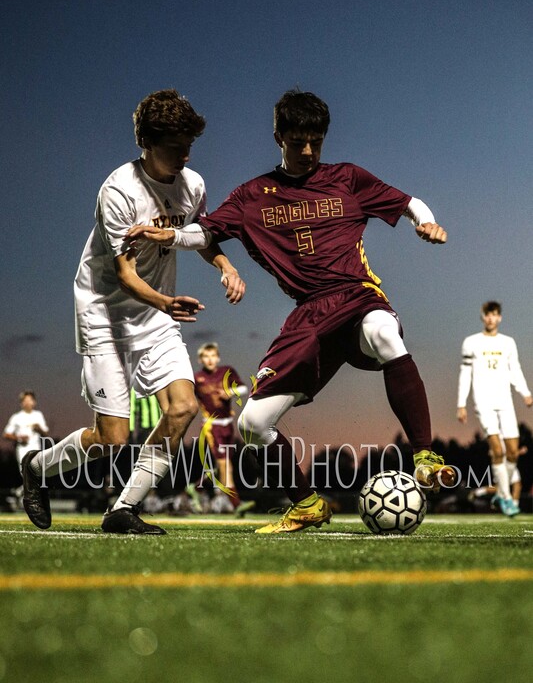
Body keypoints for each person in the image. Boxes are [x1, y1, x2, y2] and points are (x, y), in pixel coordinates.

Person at [126, 89, 455, 534]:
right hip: (310, 316)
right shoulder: (252, 196)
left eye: (315, 142)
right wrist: (171, 238)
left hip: (357, 297)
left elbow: (407, 202)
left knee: (383, 331)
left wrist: (425, 222)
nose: (307, 151)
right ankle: (306, 504)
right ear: (278, 136)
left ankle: (424, 454)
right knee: (253, 423)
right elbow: (206, 232)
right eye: (297, 141)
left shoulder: (347, 178)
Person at [21, 89, 245, 535]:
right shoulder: (119, 190)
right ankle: (37, 468)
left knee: (183, 408)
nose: (186, 154)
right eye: (176, 145)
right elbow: (125, 275)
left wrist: (224, 263)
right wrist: (167, 302)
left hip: (156, 313)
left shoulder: (193, 184)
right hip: (105, 311)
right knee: (112, 439)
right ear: (147, 142)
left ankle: (122, 510)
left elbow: (199, 234)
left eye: (189, 145)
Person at [457, 301, 532, 516]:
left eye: (495, 315)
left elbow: (514, 369)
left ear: (499, 317)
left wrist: (524, 391)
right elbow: (465, 374)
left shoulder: (508, 343)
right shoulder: (471, 342)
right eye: (487, 315)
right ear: (483, 316)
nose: (491, 318)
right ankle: (506, 497)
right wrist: (461, 403)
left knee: (513, 452)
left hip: (505, 400)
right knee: (497, 450)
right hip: (483, 401)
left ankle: (501, 492)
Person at [190, 342, 255, 516]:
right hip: (212, 426)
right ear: (200, 359)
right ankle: (236, 503)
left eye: (212, 356)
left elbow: (243, 387)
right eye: (206, 356)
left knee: (224, 465)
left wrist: (231, 392)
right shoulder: (197, 378)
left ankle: (196, 487)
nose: (210, 359)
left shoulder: (227, 371)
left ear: (217, 357)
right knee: (225, 465)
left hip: (228, 424)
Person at [3, 390, 49, 469]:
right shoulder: (16, 417)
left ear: (34, 402)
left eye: (30, 400)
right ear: (21, 403)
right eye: (25, 400)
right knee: (25, 473)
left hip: (36, 449)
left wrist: (39, 429)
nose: (27, 402)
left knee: (37, 472)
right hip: (22, 450)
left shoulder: (38, 415)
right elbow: (6, 434)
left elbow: (45, 433)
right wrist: (19, 438)